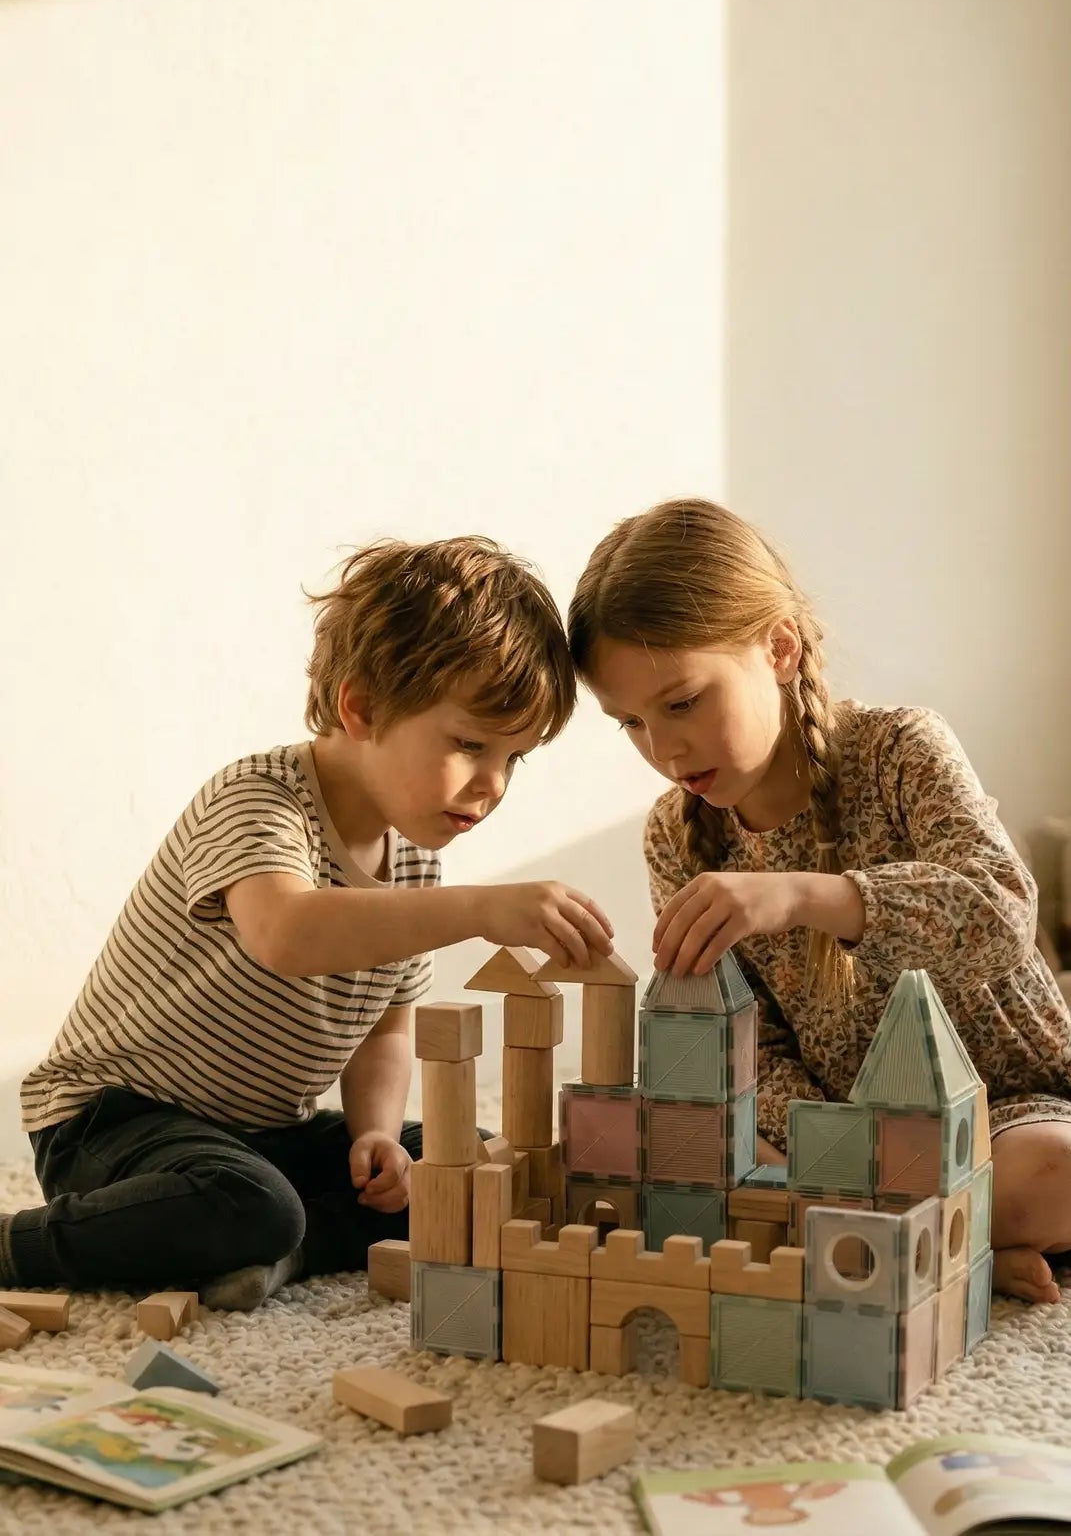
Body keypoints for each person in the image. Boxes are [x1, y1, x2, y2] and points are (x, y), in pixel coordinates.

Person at [1, 536, 612, 1307]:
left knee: (477, 1165)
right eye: (468, 744)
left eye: (514, 758)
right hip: (115, 1120)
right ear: (360, 707)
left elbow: (387, 1027)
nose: (490, 784)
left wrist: (375, 1134)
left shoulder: (415, 858)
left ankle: (281, 1255)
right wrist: (483, 909)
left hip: (264, 1131)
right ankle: (17, 1245)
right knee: (247, 1201)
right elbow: (285, 932)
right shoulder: (259, 799)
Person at [568, 497, 1071, 1305]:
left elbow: (1001, 912)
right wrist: (833, 1144)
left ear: (776, 648)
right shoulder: (675, 835)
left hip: (1010, 1106)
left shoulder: (901, 746)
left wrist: (808, 896)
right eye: (628, 723)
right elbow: (745, 1047)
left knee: (1054, 1173)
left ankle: (911, 1240)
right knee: (651, 1162)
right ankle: (944, 1247)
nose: (663, 750)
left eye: (682, 702)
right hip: (844, 1132)